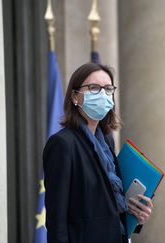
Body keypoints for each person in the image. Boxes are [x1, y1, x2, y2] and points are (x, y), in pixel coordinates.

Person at [43, 63, 154, 243]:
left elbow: (110, 206)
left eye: (108, 89)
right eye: (94, 88)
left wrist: (136, 216)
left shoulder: (107, 141)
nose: (103, 94)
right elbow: (57, 221)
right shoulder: (62, 144)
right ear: (75, 97)